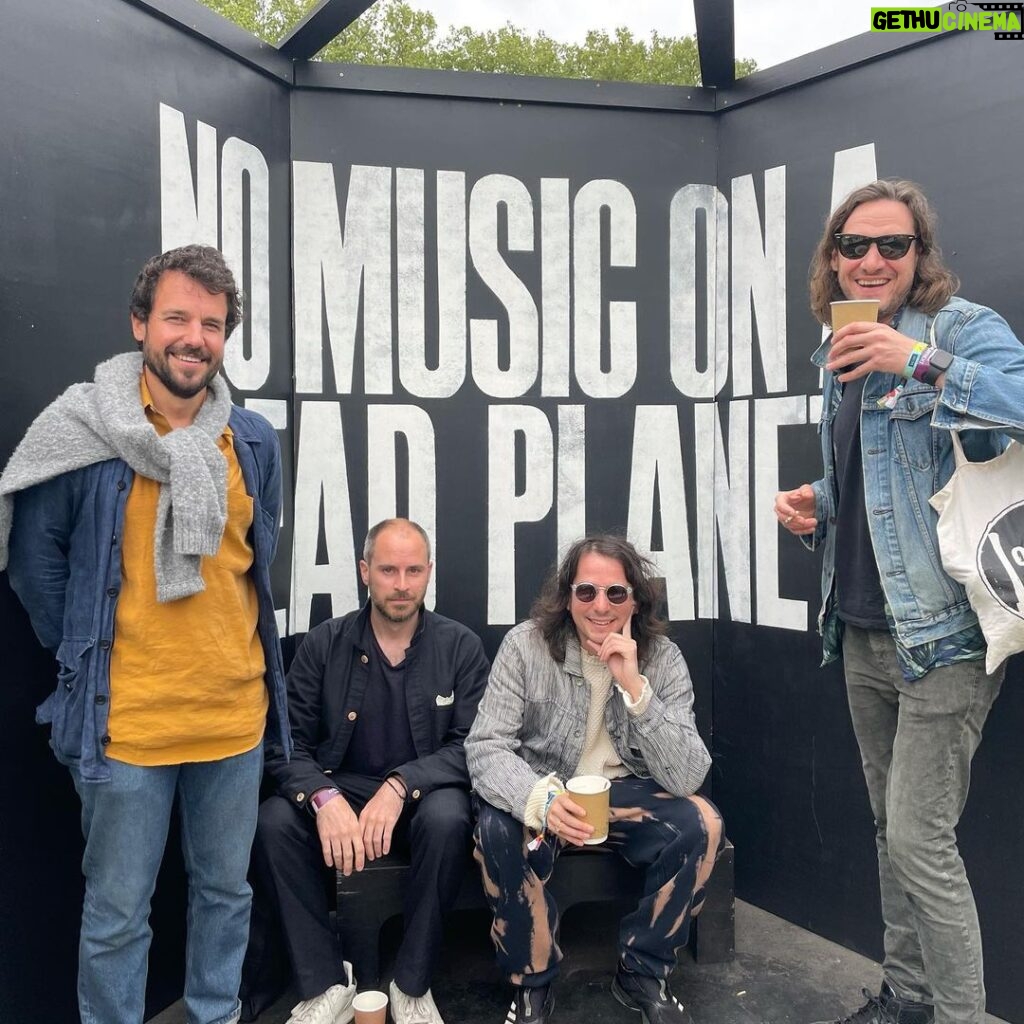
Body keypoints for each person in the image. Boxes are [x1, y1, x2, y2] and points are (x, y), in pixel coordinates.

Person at [0, 244, 290, 1024]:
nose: (195, 337)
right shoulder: (83, 431)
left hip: (233, 720)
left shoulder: (253, 439)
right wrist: (96, 652)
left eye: (213, 323)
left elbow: (255, 560)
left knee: (226, 896)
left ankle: (215, 1014)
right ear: (140, 323)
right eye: (178, 318)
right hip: (123, 725)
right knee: (119, 915)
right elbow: (36, 565)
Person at [775, 179, 1024, 1024]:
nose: (873, 259)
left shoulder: (959, 330)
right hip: (861, 629)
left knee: (922, 841)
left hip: (945, 636)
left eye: (893, 244)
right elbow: (882, 486)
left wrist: (914, 360)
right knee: (891, 831)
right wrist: (819, 500)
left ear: (921, 256)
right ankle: (906, 996)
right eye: (856, 246)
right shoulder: (835, 353)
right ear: (832, 259)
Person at [465, 535, 724, 1024]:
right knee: (497, 828)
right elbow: (485, 747)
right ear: (567, 597)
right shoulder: (525, 646)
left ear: (635, 599)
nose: (600, 606)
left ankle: (642, 973)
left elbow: (689, 774)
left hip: (623, 794)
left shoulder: (663, 659)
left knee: (703, 822)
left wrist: (635, 688)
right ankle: (532, 985)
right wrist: (537, 797)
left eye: (615, 594)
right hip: (544, 790)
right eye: (587, 592)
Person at [246, 518, 490, 1024]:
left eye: (413, 570)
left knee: (449, 815)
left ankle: (412, 985)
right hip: (342, 794)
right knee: (273, 820)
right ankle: (325, 984)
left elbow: (474, 747)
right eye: (388, 570)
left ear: (429, 573)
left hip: (420, 800)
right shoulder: (324, 644)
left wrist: (402, 785)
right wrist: (322, 799)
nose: (401, 584)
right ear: (364, 572)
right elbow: (284, 745)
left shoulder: (459, 646)